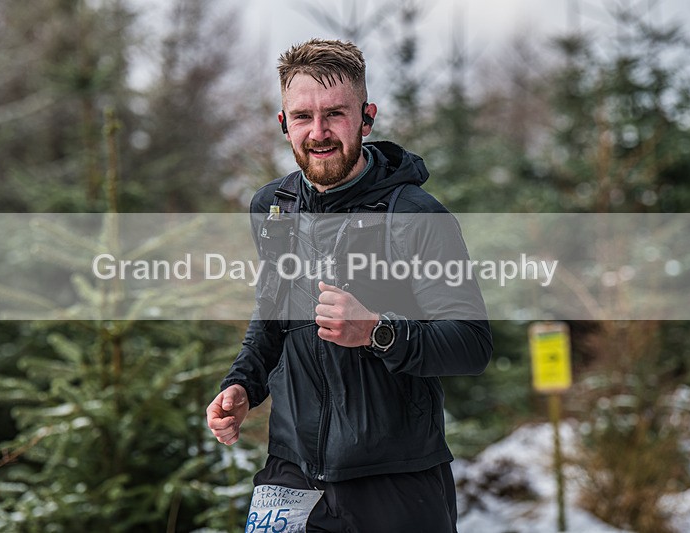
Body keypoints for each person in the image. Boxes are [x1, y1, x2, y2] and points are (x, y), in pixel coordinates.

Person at [206, 38, 493, 532]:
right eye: (302, 117)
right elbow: (272, 318)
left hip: (395, 483)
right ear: (283, 124)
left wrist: (379, 331)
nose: (318, 133)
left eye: (335, 114)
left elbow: (472, 343)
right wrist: (242, 383)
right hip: (290, 475)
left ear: (366, 117)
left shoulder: (415, 215)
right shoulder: (273, 209)